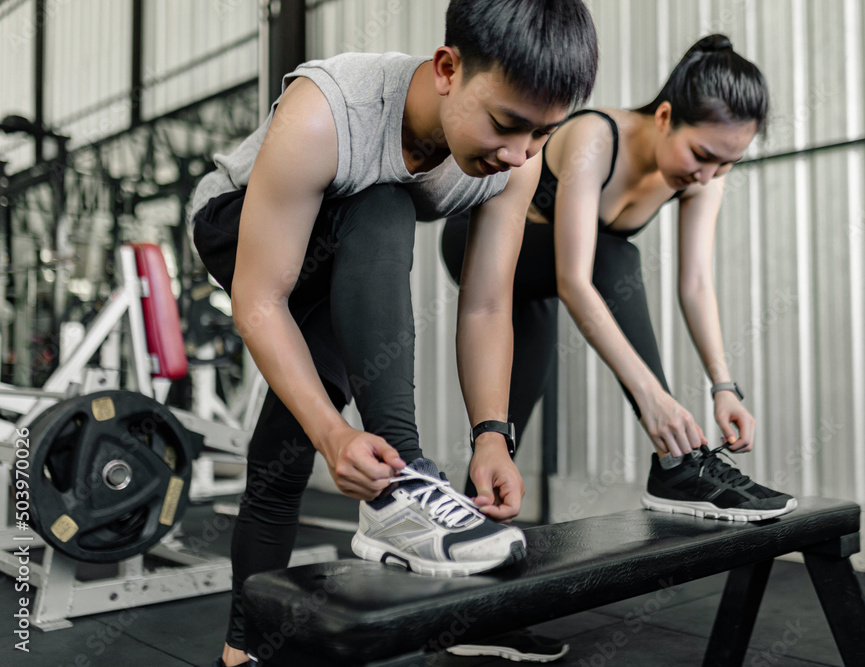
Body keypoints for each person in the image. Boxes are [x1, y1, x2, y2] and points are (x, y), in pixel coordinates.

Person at [189, 2, 598, 665]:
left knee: (283, 451)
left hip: (344, 239)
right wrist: (336, 434)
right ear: (447, 68)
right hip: (239, 226)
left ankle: (243, 650)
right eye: (507, 124)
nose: (520, 154)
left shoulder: (517, 162)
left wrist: (492, 434)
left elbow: (488, 302)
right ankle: (401, 489)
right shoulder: (326, 110)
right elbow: (260, 301)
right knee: (384, 202)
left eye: (543, 135)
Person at [441, 34, 796, 532]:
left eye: (726, 164)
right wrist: (652, 397)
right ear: (667, 117)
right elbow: (575, 280)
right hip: (482, 246)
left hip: (537, 285)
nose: (709, 175)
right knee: (615, 254)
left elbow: (695, 283)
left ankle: (465, 529)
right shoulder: (596, 138)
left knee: (502, 425)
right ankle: (677, 463)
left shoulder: (704, 178)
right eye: (702, 154)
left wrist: (723, 386)